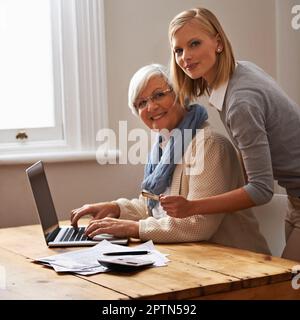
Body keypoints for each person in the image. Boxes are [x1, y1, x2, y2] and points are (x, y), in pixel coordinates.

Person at [70, 63, 270, 254]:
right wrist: (115, 208)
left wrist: (133, 228)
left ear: (180, 95)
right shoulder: (162, 147)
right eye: (141, 103)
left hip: (238, 265)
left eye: (158, 95)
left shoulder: (209, 145)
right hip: (192, 259)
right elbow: (154, 209)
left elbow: (198, 224)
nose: (151, 107)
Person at [163, 7, 300, 260]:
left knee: (286, 290)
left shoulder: (240, 102)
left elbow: (261, 189)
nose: (186, 57)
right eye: (178, 50)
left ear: (217, 42)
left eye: (194, 43)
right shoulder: (240, 72)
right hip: (295, 197)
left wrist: (192, 207)